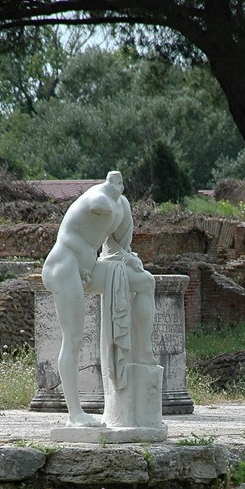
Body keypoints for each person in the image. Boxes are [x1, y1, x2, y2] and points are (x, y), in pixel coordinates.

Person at [42, 171, 157, 427]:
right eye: (112, 182)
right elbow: (96, 204)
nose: (117, 184)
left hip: (89, 267)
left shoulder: (121, 204)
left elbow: (117, 246)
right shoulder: (98, 197)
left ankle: (144, 352)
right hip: (64, 264)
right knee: (73, 338)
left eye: (120, 182)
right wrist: (108, 209)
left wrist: (127, 255)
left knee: (145, 282)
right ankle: (75, 414)